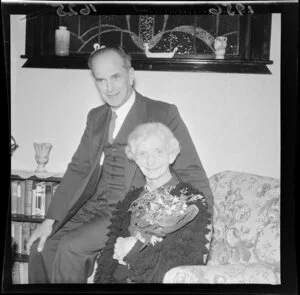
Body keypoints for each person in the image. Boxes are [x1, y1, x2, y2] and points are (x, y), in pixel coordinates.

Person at [27, 45, 213, 283]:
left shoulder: (162, 112)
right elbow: (79, 168)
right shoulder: (96, 117)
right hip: (92, 205)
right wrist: (49, 220)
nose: (109, 87)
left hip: (128, 211)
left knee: (71, 247)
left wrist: (206, 226)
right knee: (40, 247)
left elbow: (190, 170)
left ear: (131, 75)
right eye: (101, 80)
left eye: (115, 77)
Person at [94, 122, 212, 283]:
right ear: (134, 159)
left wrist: (134, 249)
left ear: (171, 155)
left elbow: (182, 266)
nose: (151, 161)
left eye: (158, 152)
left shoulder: (191, 201)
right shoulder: (131, 199)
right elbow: (109, 257)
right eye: (142, 153)